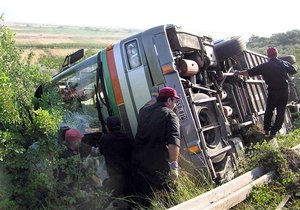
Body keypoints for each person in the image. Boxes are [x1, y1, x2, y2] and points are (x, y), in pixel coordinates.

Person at [131, 86, 181, 207]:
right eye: (175, 101)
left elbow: (144, 106)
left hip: (140, 163)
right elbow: (173, 143)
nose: (175, 105)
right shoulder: (170, 115)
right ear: (169, 100)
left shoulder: (144, 112)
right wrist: (174, 166)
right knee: (171, 199)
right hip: (158, 165)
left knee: (145, 202)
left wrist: (154, 97)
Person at [234, 47, 297, 138]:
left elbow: (249, 72)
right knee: (281, 113)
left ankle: (267, 130)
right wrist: (294, 67)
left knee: (269, 111)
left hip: (273, 92)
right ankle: (274, 132)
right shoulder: (283, 63)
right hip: (284, 92)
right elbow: (294, 71)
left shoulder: (264, 66)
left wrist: (238, 72)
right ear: (277, 54)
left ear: (268, 55)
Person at [98, 116, 133, 197]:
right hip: (129, 171)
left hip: (115, 174)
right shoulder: (127, 137)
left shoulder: (104, 139)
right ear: (120, 125)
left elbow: (101, 152)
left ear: (107, 127)